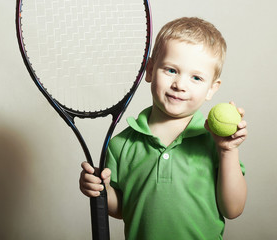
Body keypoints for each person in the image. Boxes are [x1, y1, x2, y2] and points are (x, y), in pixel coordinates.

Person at [79, 17, 248, 240]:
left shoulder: (214, 142)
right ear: (149, 70)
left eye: (196, 77)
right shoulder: (122, 144)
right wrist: (102, 191)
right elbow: (123, 208)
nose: (180, 85)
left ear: (211, 89)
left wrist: (227, 151)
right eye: (171, 70)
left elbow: (233, 209)